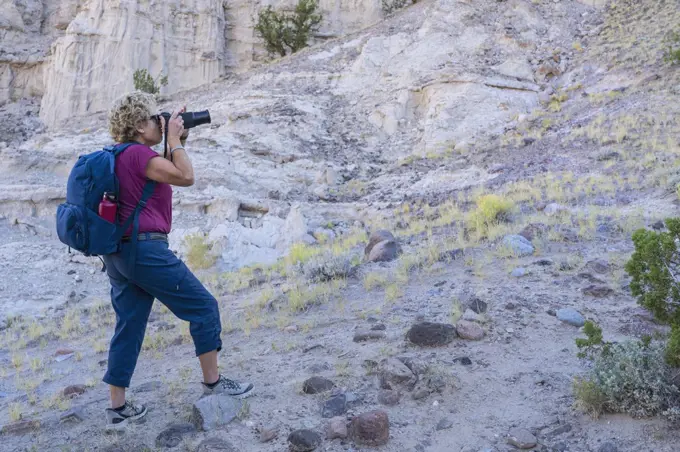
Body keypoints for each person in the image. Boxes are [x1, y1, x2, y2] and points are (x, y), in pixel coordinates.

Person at [102, 91, 254, 431]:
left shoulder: (121, 155)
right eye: (154, 118)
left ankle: (117, 407)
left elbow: (169, 169)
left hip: (118, 255)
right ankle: (214, 384)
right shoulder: (140, 155)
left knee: (129, 325)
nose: (159, 121)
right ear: (140, 126)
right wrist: (172, 137)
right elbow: (186, 177)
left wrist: (175, 139)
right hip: (145, 251)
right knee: (203, 306)